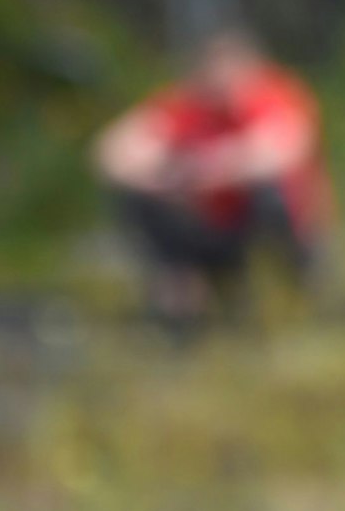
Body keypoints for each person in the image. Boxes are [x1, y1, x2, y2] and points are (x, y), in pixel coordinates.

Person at [92, 30, 330, 336]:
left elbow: (280, 150)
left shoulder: (273, 96)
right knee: (135, 199)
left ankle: (299, 286)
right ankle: (181, 300)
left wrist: (205, 170)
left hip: (267, 228)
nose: (223, 82)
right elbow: (111, 153)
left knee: (270, 192)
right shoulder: (187, 107)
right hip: (209, 226)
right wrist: (163, 180)